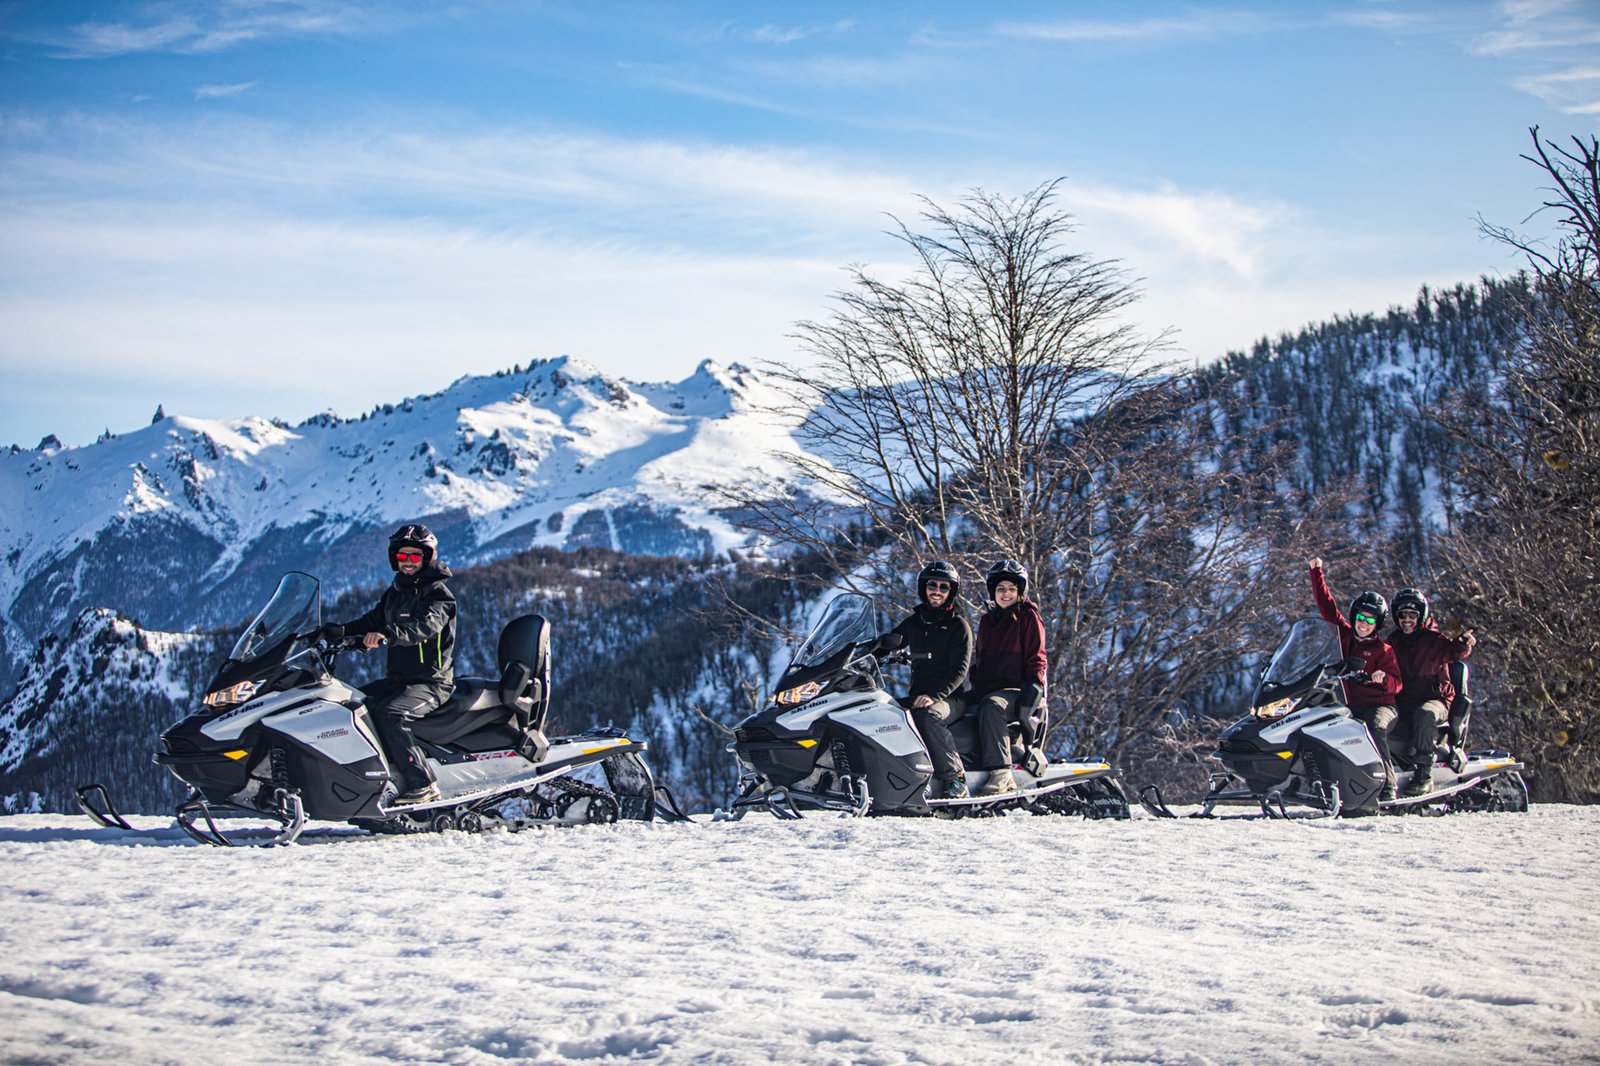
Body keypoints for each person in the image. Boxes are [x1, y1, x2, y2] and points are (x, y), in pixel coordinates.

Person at [324, 524, 457, 805]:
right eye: (402, 556)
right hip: (399, 680)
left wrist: (387, 635)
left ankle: (423, 784)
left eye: (414, 556)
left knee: (392, 715)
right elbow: (373, 620)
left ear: (427, 558)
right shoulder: (396, 592)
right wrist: (338, 632)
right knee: (353, 706)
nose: (408, 562)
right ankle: (376, 776)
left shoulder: (438, 594)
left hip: (430, 683)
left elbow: (424, 626)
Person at [1308, 558, 1404, 801]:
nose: (1364, 624)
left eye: (1371, 620)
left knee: (1373, 727)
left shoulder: (1384, 651)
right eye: (1361, 618)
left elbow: (1397, 683)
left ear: (1378, 624)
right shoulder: (1346, 638)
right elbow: (1327, 608)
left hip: (1382, 706)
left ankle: (1388, 786)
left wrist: (1382, 679)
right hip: (1350, 706)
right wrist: (1316, 572)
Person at [885, 561, 974, 800]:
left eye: (943, 587)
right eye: (932, 585)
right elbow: (889, 642)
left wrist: (934, 696)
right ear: (924, 588)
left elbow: (960, 671)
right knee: (882, 711)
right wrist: (859, 653)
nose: (937, 591)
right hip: (918, 695)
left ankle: (955, 778)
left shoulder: (958, 626)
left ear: (951, 592)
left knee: (927, 715)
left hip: (949, 698)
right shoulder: (915, 622)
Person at [962, 559, 1048, 798]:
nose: (1006, 593)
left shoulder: (1028, 616)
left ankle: (1001, 774)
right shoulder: (989, 620)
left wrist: (1035, 687)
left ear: (1020, 591)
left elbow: (1037, 657)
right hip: (988, 688)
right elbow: (981, 659)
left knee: (992, 706)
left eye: (1011, 589)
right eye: (1001, 589)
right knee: (955, 707)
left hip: (1017, 690)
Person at [1387, 587, 1476, 796]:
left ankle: (1424, 774)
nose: (1406, 620)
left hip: (1437, 700)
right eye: (1402, 615)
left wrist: (1463, 643)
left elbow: (1454, 650)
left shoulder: (1433, 639)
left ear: (1421, 616)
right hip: (1404, 700)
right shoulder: (1393, 641)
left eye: (1412, 615)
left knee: (1424, 713)